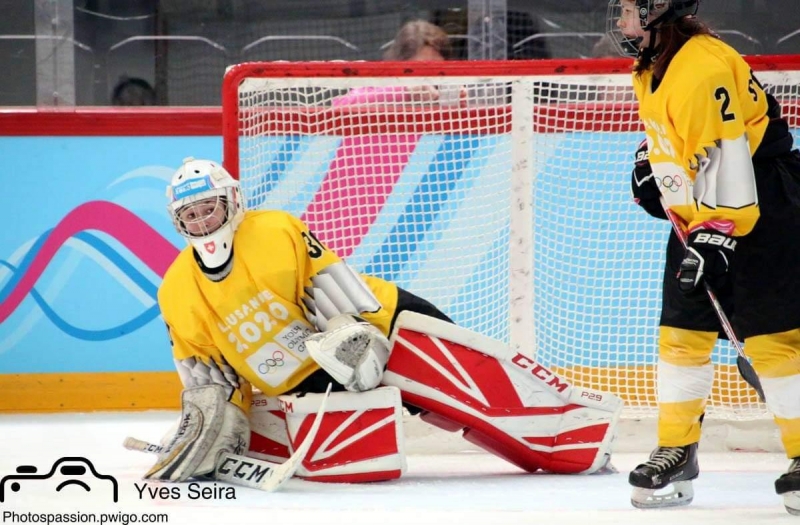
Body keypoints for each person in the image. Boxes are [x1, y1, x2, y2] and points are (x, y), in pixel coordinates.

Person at [139, 157, 623, 485]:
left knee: (479, 389)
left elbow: (333, 289)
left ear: (232, 201)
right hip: (309, 380)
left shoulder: (273, 231)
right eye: (191, 214)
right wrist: (208, 420)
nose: (203, 221)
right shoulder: (176, 290)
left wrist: (358, 340)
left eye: (209, 208)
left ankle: (578, 432)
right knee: (389, 433)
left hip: (387, 323)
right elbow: (207, 377)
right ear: (177, 221)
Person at [608, 0, 800, 513]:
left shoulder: (703, 66)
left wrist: (717, 236)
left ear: (657, 13)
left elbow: (727, 153)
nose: (622, 23)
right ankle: (677, 448)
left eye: (628, 11)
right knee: (681, 331)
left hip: (764, 205)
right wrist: (654, 174)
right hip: (707, 212)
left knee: (773, 340)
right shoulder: (651, 66)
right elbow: (672, 140)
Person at [332, 20, 462, 107]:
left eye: (436, 67)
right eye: (419, 68)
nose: (428, 77)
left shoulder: (451, 90)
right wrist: (402, 93)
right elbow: (340, 105)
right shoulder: (379, 84)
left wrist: (461, 104)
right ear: (400, 62)